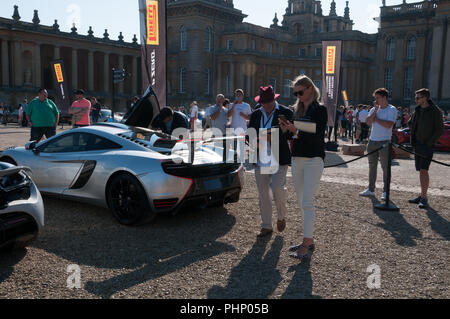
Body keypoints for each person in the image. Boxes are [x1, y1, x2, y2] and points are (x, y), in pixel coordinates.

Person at [279, 75, 328, 260]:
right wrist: (285, 130)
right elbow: (291, 138)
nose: (298, 95)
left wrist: (296, 131)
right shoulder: (296, 110)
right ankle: (309, 239)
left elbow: (317, 135)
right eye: (295, 93)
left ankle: (307, 242)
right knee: (301, 202)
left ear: (310, 89)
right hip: (297, 158)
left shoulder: (320, 109)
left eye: (300, 92)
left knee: (307, 202)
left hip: (314, 158)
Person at [248, 85, 293, 238]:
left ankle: (281, 216)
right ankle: (266, 225)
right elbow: (250, 136)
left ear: (274, 99)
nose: (266, 105)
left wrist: (273, 136)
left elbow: (288, 136)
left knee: (277, 188)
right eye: (263, 102)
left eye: (269, 101)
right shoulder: (255, 115)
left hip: (278, 158)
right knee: (263, 194)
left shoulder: (285, 113)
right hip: (261, 159)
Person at [407, 88, 444, 209]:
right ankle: (422, 194)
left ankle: (424, 198)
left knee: (424, 169)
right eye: (415, 97)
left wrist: (429, 142)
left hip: (427, 145)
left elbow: (439, 129)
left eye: (418, 97)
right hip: (417, 144)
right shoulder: (417, 110)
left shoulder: (435, 111)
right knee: (421, 170)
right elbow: (411, 123)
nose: (415, 99)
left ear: (425, 98)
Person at [359, 88, 398, 201]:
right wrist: (375, 112)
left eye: (377, 98)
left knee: (386, 167)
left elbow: (388, 125)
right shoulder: (373, 109)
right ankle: (371, 189)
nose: (375, 100)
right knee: (372, 166)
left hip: (385, 142)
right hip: (372, 141)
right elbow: (368, 122)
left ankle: (386, 191)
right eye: (375, 98)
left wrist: (377, 119)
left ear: (384, 97)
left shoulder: (392, 109)